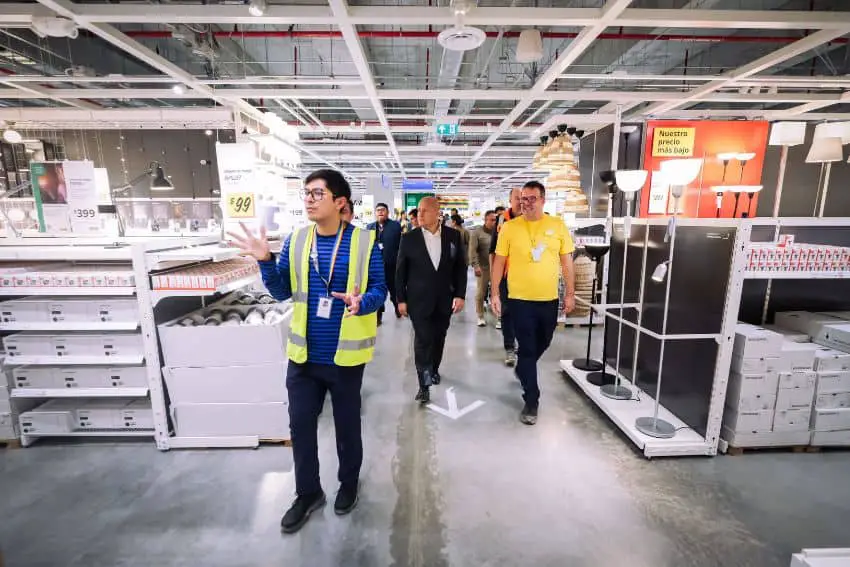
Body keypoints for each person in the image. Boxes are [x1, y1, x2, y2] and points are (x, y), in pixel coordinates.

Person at [228, 169, 387, 533]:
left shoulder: (364, 242)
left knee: (347, 428)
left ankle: (348, 484)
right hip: (302, 356)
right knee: (300, 427)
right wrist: (265, 261)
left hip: (345, 357)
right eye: (307, 193)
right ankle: (308, 492)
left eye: (317, 193)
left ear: (339, 201)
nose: (309, 199)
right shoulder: (298, 241)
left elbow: (381, 288)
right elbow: (283, 291)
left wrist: (362, 302)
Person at [491, 181, 576, 426]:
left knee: (544, 342)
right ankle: (531, 399)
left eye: (532, 198)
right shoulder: (509, 228)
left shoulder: (557, 226)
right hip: (519, 299)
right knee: (527, 348)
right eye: (523, 199)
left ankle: (523, 368)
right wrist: (495, 293)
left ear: (543, 200)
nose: (526, 203)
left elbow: (567, 262)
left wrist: (570, 293)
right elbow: (498, 261)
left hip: (548, 298)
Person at [396, 196, 467, 404]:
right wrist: (401, 299)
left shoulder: (453, 237)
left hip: (444, 300)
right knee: (422, 340)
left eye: (424, 210)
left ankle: (434, 369)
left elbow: (460, 269)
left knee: (439, 338)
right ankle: (424, 384)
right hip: (418, 301)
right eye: (418, 210)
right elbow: (400, 273)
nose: (419, 214)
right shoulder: (409, 238)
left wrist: (460, 295)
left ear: (437, 213)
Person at [489, 188, 522, 366]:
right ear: (510, 200)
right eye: (517, 198)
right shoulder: (502, 220)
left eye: (523, 198)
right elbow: (493, 250)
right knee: (507, 312)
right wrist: (494, 279)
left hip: (527, 276)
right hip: (506, 275)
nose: (520, 201)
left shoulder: (532, 219)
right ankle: (510, 347)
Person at [367, 202, 402, 324]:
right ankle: (378, 314)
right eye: (378, 210)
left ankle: (398, 307)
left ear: (387, 212)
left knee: (394, 289)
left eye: (383, 210)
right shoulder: (370, 227)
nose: (380, 212)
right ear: (375, 213)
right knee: (377, 290)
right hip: (376, 267)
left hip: (392, 265)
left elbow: (400, 246)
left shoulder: (395, 226)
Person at [469, 210, 496, 327]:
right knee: (481, 293)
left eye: (495, 220)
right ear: (485, 220)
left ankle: (499, 316)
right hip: (483, 267)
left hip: (497, 268)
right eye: (492, 220)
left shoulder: (500, 232)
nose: (494, 222)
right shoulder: (477, 233)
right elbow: (472, 250)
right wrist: (475, 265)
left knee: (498, 294)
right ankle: (480, 316)